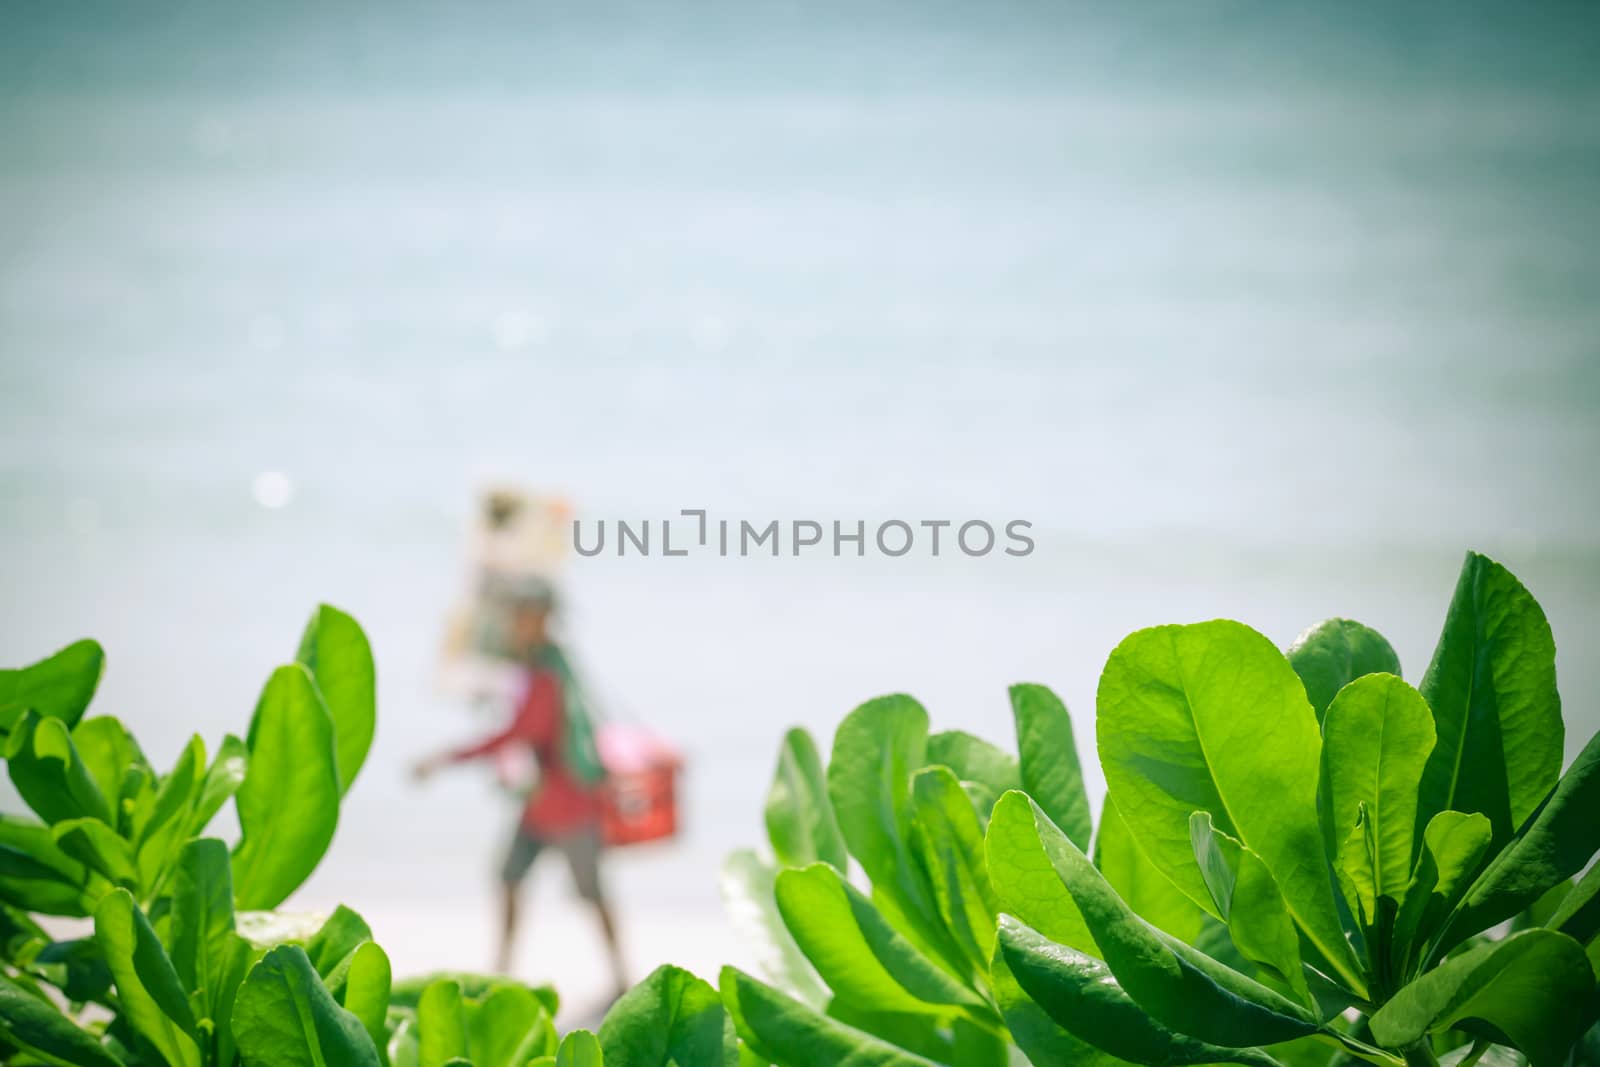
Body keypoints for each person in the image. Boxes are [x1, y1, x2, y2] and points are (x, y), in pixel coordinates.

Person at [413, 579, 626, 994]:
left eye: (522, 616)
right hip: (539, 805)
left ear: (543, 619)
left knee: (591, 893)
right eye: (513, 616)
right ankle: (504, 970)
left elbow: (519, 734)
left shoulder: (545, 674)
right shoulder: (534, 666)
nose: (515, 623)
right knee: (510, 878)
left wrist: (446, 758)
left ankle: (620, 976)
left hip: (568, 807)